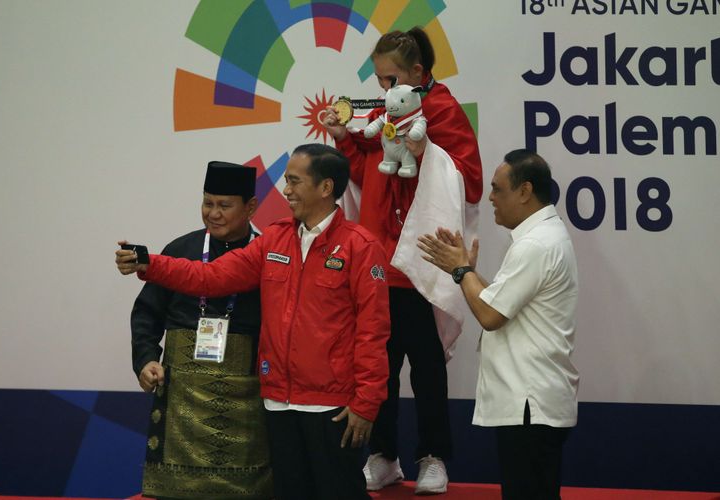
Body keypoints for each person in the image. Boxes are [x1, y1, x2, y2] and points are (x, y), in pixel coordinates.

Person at [116, 144, 390, 500]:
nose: (286, 190)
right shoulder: (275, 238)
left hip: (331, 406)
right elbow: (209, 277)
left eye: (294, 181)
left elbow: (374, 331)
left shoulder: (361, 246)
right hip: (277, 403)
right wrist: (147, 261)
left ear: (325, 188)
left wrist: (367, 403)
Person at [322, 26, 483, 494]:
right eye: (379, 80)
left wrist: (426, 151)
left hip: (421, 260)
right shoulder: (385, 112)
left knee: (428, 366)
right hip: (378, 260)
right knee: (378, 366)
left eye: (390, 79)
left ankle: (432, 457)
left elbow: (469, 179)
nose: (384, 90)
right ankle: (384, 454)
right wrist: (343, 137)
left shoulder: (442, 110)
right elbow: (365, 173)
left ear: (418, 72)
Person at [418, 149, 579, 500]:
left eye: (497, 189)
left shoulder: (536, 244)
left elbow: (490, 316)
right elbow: (503, 303)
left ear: (524, 191)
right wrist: (467, 273)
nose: (489, 197)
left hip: (529, 404)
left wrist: (462, 272)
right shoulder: (544, 237)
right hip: (533, 401)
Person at [127, 161, 272, 499]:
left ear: (250, 207)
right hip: (181, 393)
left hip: (247, 392)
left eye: (224, 205)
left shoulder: (268, 254)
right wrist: (147, 360)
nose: (213, 213)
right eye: (208, 203)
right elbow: (147, 312)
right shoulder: (181, 250)